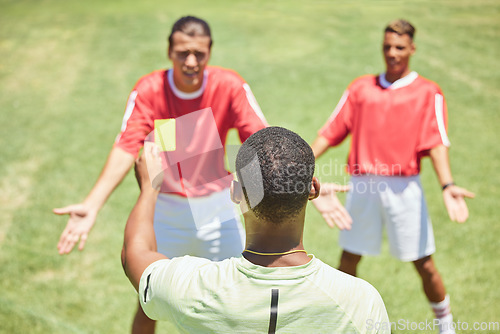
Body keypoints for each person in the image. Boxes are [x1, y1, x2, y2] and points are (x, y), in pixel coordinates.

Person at [53, 16, 267, 333]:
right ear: (169, 51)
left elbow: (262, 140)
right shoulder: (151, 89)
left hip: (215, 205)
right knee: (150, 300)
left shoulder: (229, 85)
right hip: (166, 207)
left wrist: (296, 181)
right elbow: (127, 147)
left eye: (199, 53)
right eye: (182, 53)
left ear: (210, 52)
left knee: (242, 295)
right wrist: (93, 204)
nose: (191, 62)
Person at [122, 126, 390, 333]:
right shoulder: (362, 301)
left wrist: (149, 187)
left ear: (236, 193)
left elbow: (135, 253)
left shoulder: (193, 289)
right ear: (313, 189)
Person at [311, 19, 475, 334]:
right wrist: (297, 163)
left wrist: (448, 184)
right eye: (387, 47)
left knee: (423, 264)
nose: (392, 53)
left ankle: (447, 326)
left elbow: (437, 142)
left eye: (399, 47)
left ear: (412, 49)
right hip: (362, 185)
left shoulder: (428, 92)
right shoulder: (360, 88)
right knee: (348, 259)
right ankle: (340, 322)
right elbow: (330, 132)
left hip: (404, 189)